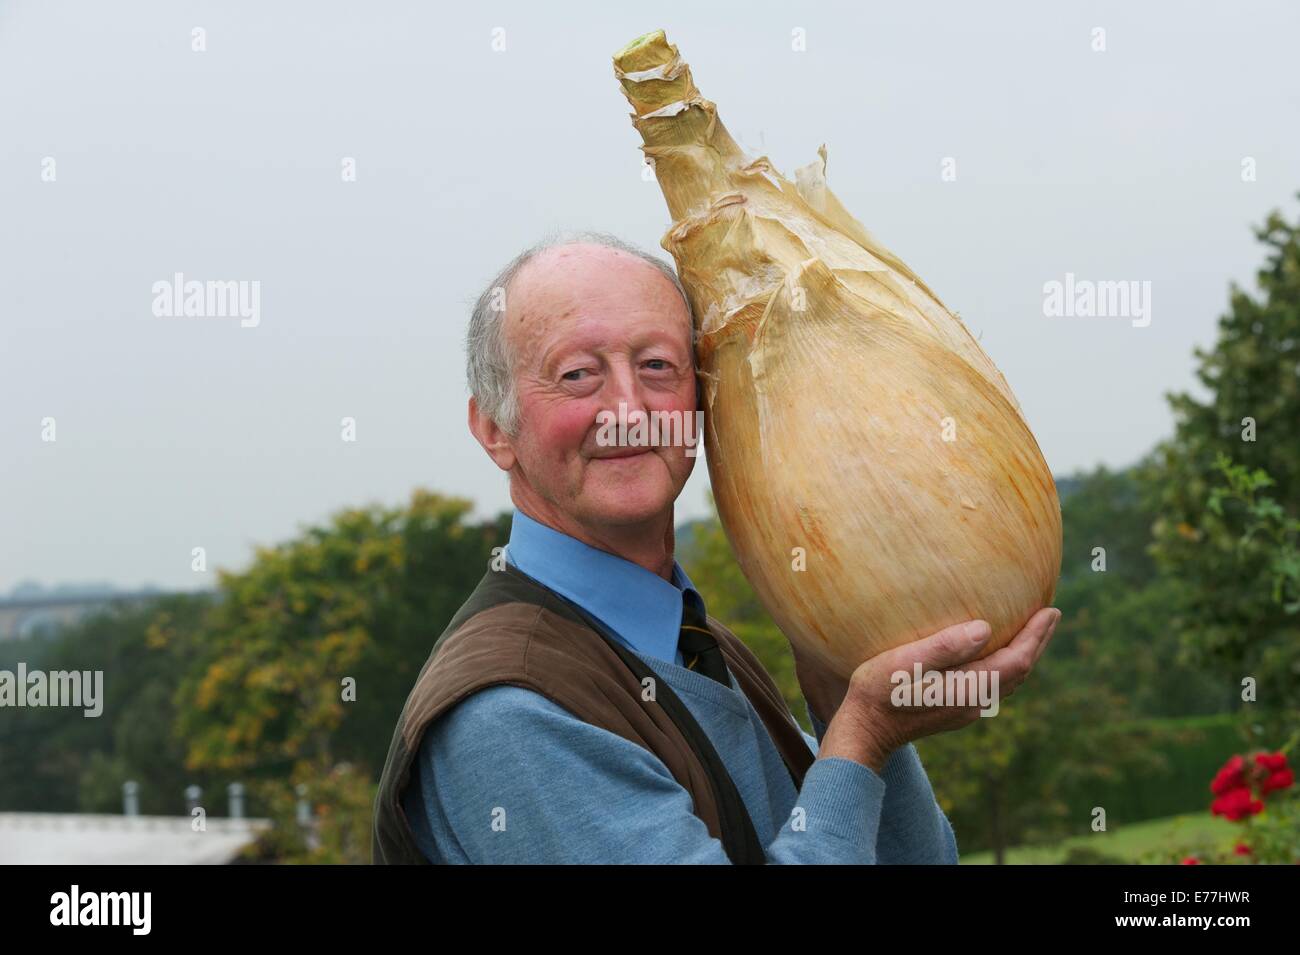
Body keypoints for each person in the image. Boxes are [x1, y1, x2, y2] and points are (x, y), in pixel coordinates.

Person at [371, 232, 1060, 864]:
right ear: (493, 427)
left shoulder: (702, 646)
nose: (628, 410)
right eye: (578, 374)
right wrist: (861, 735)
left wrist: (844, 704)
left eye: (658, 365)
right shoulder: (511, 709)